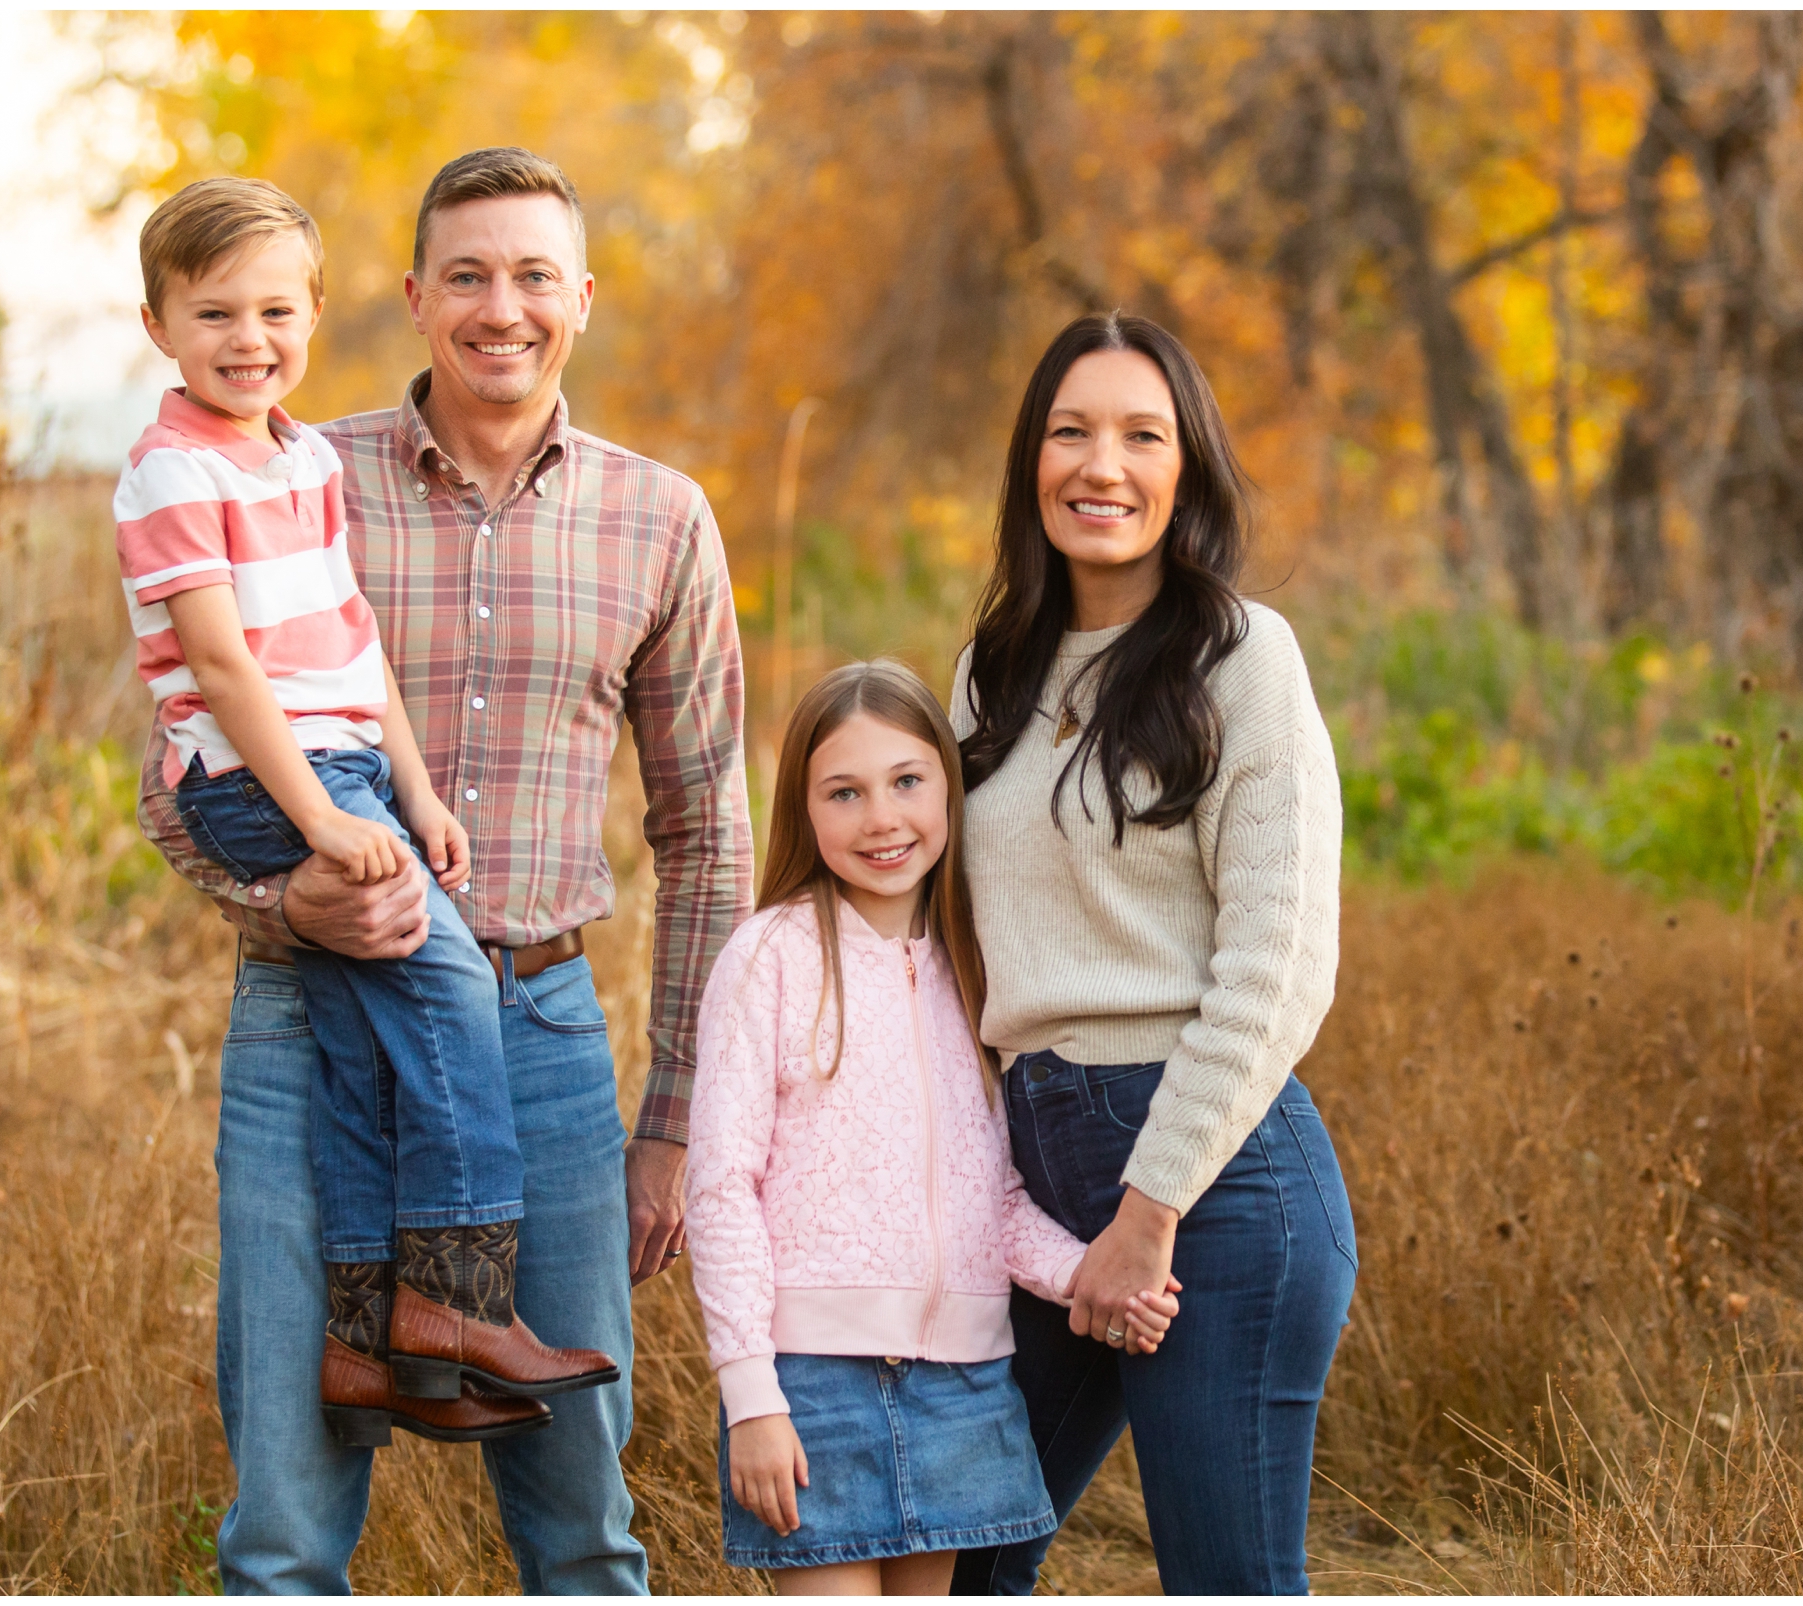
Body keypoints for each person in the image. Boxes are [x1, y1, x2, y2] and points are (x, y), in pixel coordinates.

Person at [136, 148, 751, 1594]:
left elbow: (710, 831)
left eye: (535, 274)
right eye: (467, 274)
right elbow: (175, 766)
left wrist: (672, 1120)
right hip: (306, 1018)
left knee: (582, 1518)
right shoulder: (287, 468)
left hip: (539, 1028)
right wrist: (282, 900)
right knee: (285, 1518)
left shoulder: (661, 518)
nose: (502, 307)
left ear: (582, 300)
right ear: (411, 298)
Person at [116, 176, 618, 1449]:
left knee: (364, 1053)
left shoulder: (303, 457)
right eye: (213, 313)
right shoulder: (169, 468)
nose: (248, 339)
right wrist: (329, 828)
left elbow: (354, 650)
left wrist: (413, 789)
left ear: (320, 312)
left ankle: (358, 1341)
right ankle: (457, 1308)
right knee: (447, 985)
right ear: (157, 325)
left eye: (275, 310)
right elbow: (225, 673)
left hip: (343, 765)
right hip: (258, 777)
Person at [945, 313, 1355, 1596]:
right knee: (955, 1559)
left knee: (1224, 1579)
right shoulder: (988, 674)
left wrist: (1148, 1208)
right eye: (1071, 432)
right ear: (1031, 461)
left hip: (1213, 1188)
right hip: (1039, 1163)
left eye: (1141, 434)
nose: (1100, 465)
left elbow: (1277, 965)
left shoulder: (1240, 658)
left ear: (1187, 471)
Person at [686, 662, 1178, 1596]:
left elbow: (991, 1201)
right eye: (845, 792)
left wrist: (1089, 1277)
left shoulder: (977, 969)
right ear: (804, 808)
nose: (882, 819)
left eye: (908, 782)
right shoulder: (769, 959)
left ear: (950, 792)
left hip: (961, 1384)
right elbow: (720, 1190)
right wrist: (751, 1394)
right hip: (811, 1387)